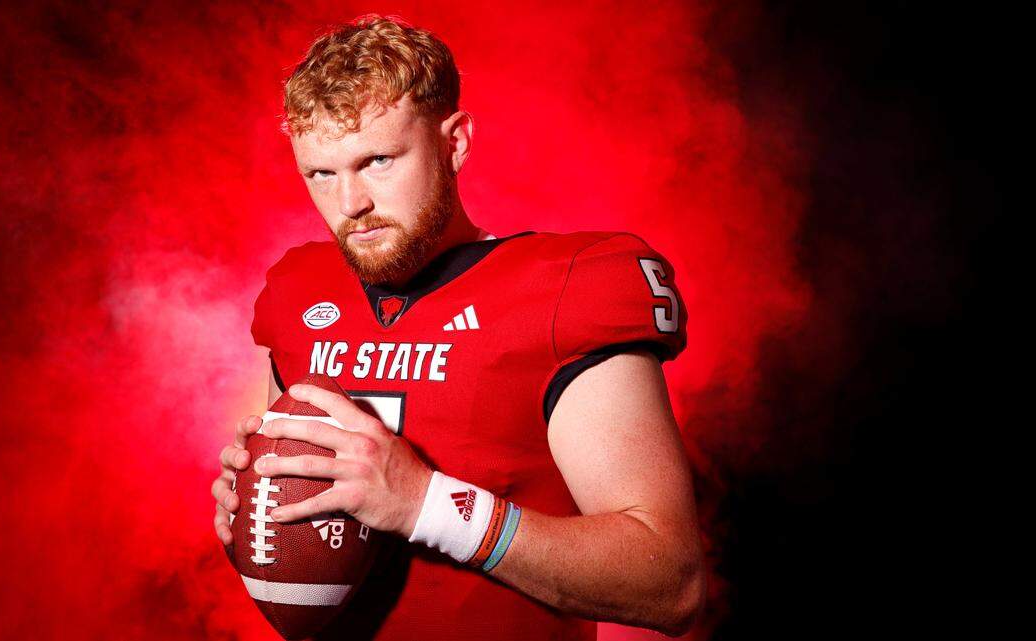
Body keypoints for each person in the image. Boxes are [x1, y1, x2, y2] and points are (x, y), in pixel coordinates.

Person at [211, 14, 705, 640]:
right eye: (321, 174)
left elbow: (671, 585)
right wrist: (263, 526)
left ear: (457, 142)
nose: (349, 203)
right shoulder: (296, 293)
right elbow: (321, 556)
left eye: (378, 161)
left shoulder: (569, 286)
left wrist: (426, 505)